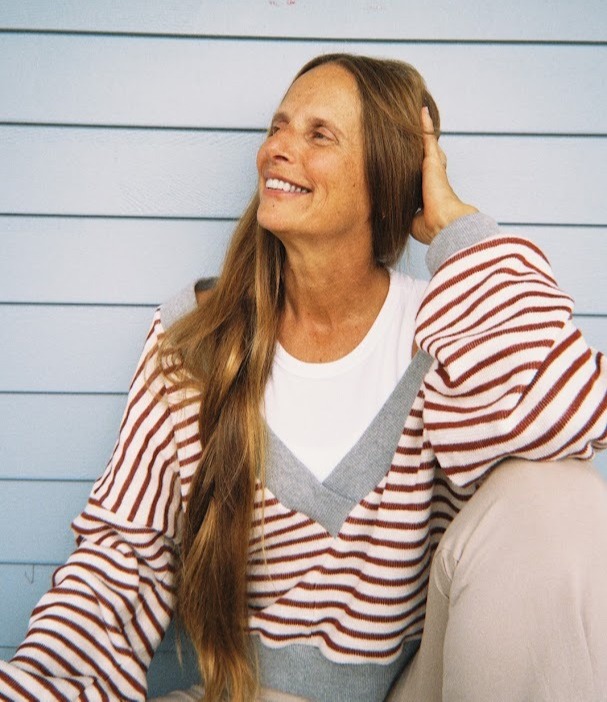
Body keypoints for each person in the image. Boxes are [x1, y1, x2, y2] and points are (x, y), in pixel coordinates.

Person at [1, 53, 606, 702]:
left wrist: (455, 230)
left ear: (383, 175)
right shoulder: (196, 338)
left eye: (319, 135)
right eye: (277, 127)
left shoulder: (444, 331)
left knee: (557, 492)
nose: (276, 150)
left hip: (415, 691)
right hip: (243, 694)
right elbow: (121, 559)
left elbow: (564, 425)